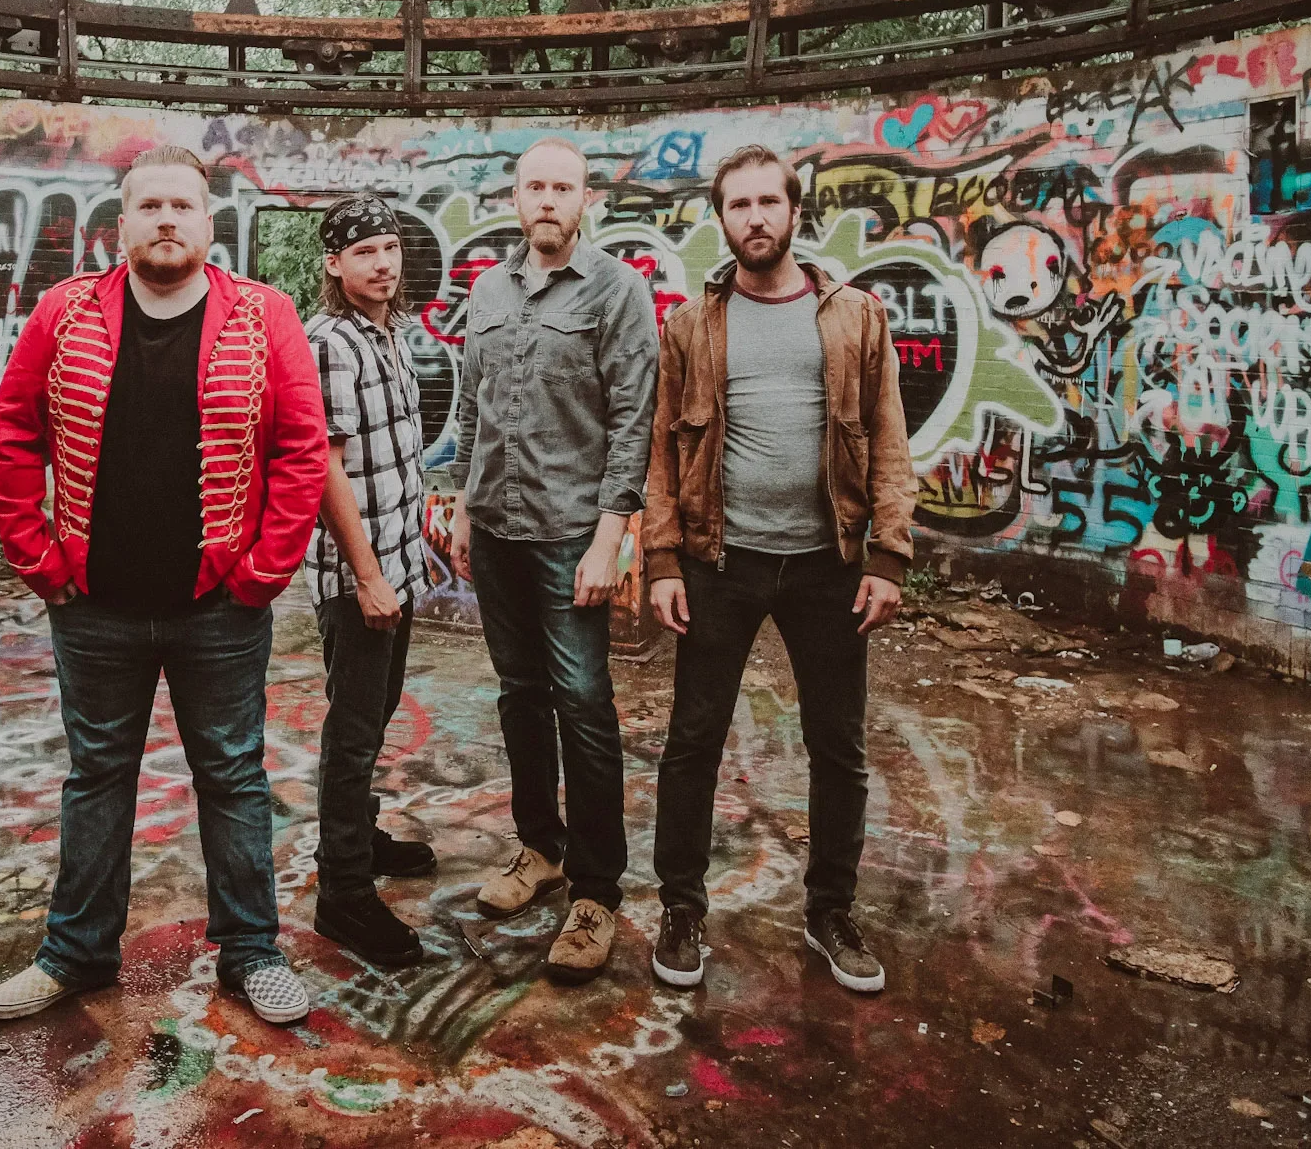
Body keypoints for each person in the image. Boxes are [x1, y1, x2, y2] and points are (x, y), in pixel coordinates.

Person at [0, 145, 327, 1025]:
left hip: (220, 609)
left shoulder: (265, 315)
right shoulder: (63, 312)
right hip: (94, 605)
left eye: (183, 205)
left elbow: (301, 450)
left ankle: (251, 952)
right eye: (150, 206)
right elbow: (13, 432)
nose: (167, 219)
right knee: (97, 777)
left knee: (234, 777)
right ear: (122, 222)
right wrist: (38, 560)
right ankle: (75, 954)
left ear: (208, 222)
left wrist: (262, 575)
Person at [642, 144, 916, 996]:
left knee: (838, 747)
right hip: (719, 562)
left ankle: (830, 910)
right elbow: (661, 450)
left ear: (796, 212)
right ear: (720, 220)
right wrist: (662, 560)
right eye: (739, 205)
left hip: (829, 565)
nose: (755, 217)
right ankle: (682, 908)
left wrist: (889, 556)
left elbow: (889, 437)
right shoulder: (690, 326)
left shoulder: (855, 316)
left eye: (769, 202)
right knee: (693, 742)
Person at [448, 138, 659, 984]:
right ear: (515, 197)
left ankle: (597, 889)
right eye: (534, 186)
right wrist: (462, 507)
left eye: (562, 187)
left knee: (583, 702)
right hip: (496, 528)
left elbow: (633, 419)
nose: (547, 200)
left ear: (585, 201)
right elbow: (472, 406)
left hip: (572, 533)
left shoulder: (618, 290)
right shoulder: (487, 291)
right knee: (521, 696)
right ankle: (540, 849)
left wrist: (611, 539)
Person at [303, 195, 436, 968]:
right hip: (361, 578)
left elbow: (393, 457)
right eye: (364, 252)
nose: (382, 264)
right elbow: (325, 468)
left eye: (389, 248)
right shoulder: (331, 343)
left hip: (397, 565)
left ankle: (358, 835)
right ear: (334, 263)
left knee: (376, 711)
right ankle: (343, 893)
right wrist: (367, 576)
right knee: (353, 731)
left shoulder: (388, 331)